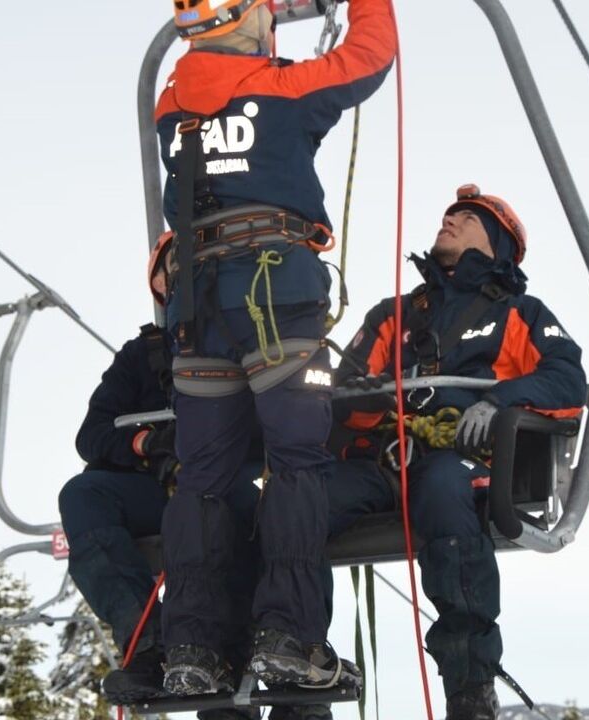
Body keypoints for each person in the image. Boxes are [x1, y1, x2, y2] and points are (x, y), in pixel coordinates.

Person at [153, 0, 398, 696]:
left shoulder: (171, 107)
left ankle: (192, 649)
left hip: (198, 308)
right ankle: (287, 637)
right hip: (274, 296)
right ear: (250, 19)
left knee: (203, 477)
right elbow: (369, 56)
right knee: (296, 464)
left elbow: (217, 95)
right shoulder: (284, 92)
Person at [330, 185, 588, 720]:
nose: (448, 220)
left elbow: (566, 380)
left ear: (495, 243)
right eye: (448, 214)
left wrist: (499, 402)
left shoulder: (520, 314)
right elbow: (340, 394)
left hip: (465, 464)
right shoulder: (392, 317)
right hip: (384, 464)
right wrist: (363, 403)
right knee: (296, 499)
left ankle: (468, 682)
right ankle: (294, 666)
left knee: (445, 484)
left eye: (465, 218)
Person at [59, 243, 264, 718]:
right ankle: (147, 638)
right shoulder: (142, 358)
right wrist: (149, 445)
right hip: (158, 489)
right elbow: (93, 436)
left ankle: (228, 656)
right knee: (84, 495)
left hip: (222, 491)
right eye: (178, 268)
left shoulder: (251, 344)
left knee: (228, 524)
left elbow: (278, 432)